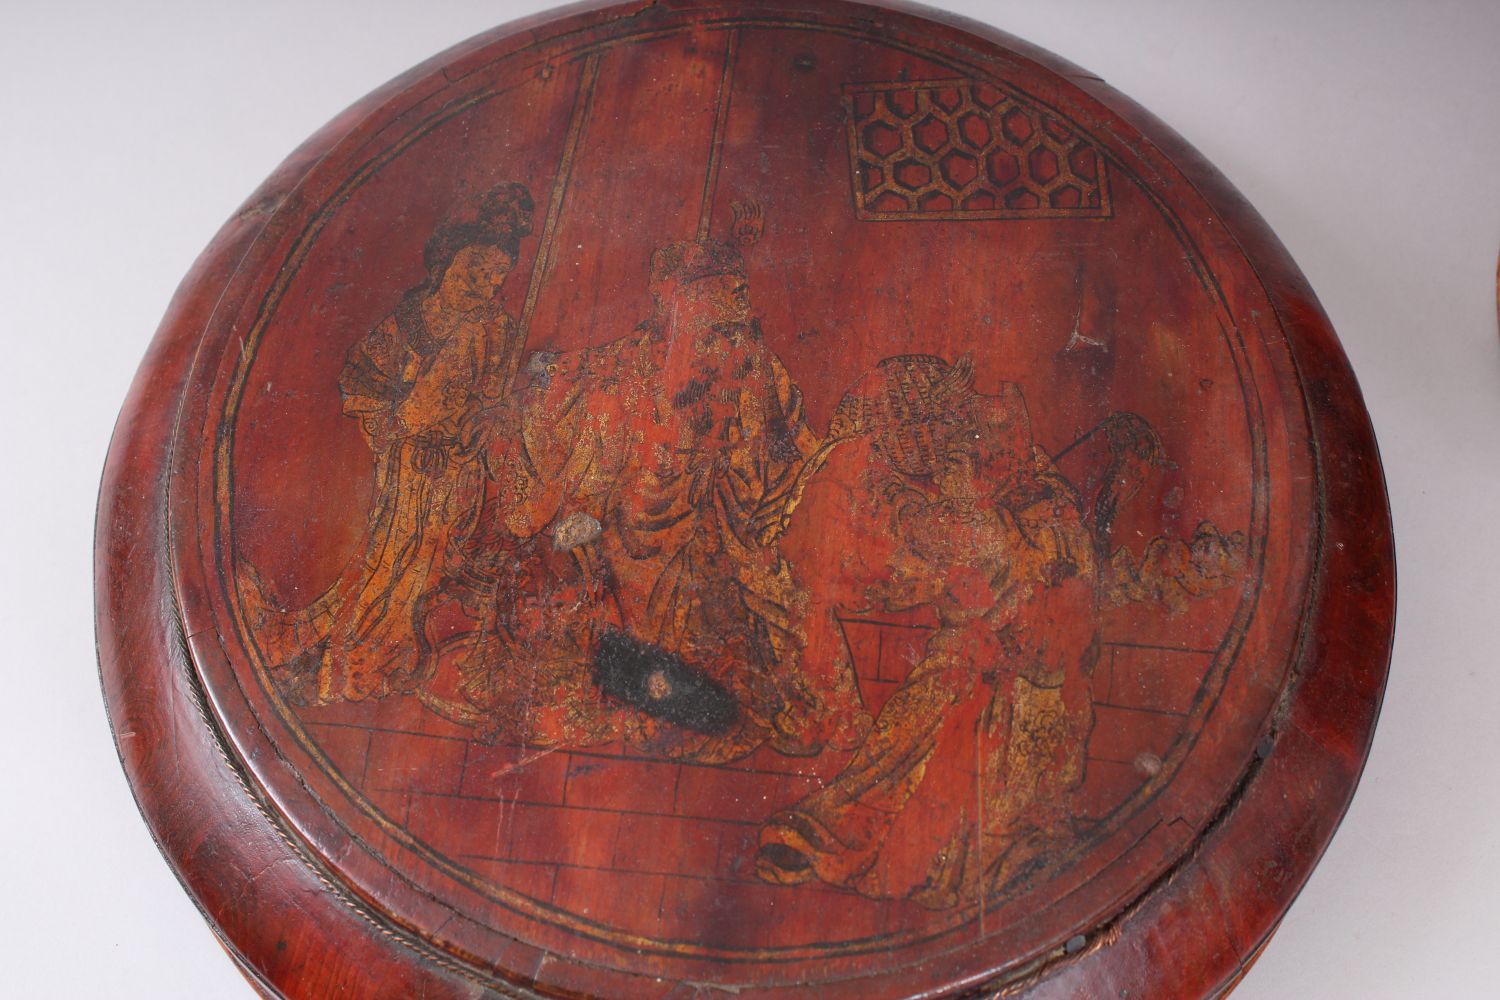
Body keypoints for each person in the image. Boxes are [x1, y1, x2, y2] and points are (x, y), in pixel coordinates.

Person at [756, 354, 1099, 908]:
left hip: (1040, 644)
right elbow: (916, 555)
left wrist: (999, 518)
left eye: (935, 424)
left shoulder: (993, 450)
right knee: (923, 714)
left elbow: (1020, 539)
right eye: (913, 430)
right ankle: (839, 830)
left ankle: (1000, 844)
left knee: (962, 708)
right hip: (980, 640)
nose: (931, 438)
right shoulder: (890, 475)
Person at [241, 184, 535, 704]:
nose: (484, 286)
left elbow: (496, 400)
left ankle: (391, 657)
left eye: (496, 277)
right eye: (473, 271)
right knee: (390, 561)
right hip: (406, 463)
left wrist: (485, 422)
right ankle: (341, 657)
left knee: (430, 565)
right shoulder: (408, 323)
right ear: (445, 265)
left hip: (459, 469)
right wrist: (397, 426)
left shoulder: (498, 330)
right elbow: (361, 381)